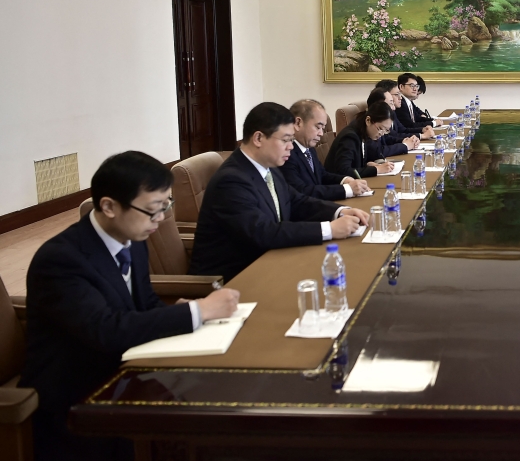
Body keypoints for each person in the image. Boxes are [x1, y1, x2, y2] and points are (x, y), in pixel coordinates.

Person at [20, 151, 240, 461]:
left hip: (128, 373)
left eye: (166, 206)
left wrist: (179, 312)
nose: (160, 219)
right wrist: (198, 311)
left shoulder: (131, 237)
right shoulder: (61, 260)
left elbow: (144, 302)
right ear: (109, 206)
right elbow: (106, 330)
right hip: (77, 399)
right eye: (152, 210)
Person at [189, 103, 368, 282]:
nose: (291, 147)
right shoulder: (231, 180)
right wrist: (330, 229)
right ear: (258, 138)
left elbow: (296, 201)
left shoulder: (269, 168)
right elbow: (263, 232)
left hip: (270, 262)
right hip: (232, 280)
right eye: (285, 140)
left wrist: (340, 211)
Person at [280, 99, 371, 201]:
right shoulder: (286, 154)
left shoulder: (309, 148)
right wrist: (347, 189)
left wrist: (345, 180)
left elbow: (322, 175)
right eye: (318, 127)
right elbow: (301, 191)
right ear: (298, 123)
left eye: (323, 129)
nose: (321, 134)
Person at [325, 100, 397, 179]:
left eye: (386, 130)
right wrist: (377, 169)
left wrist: (367, 165)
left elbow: (355, 163)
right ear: (368, 121)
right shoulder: (350, 137)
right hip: (336, 184)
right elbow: (343, 171)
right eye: (380, 128)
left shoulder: (362, 131)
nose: (382, 133)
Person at [365, 88, 417, 157]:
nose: (393, 108)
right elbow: (378, 151)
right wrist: (405, 145)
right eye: (391, 103)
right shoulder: (366, 127)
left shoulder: (381, 122)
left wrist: (405, 141)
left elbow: (387, 138)